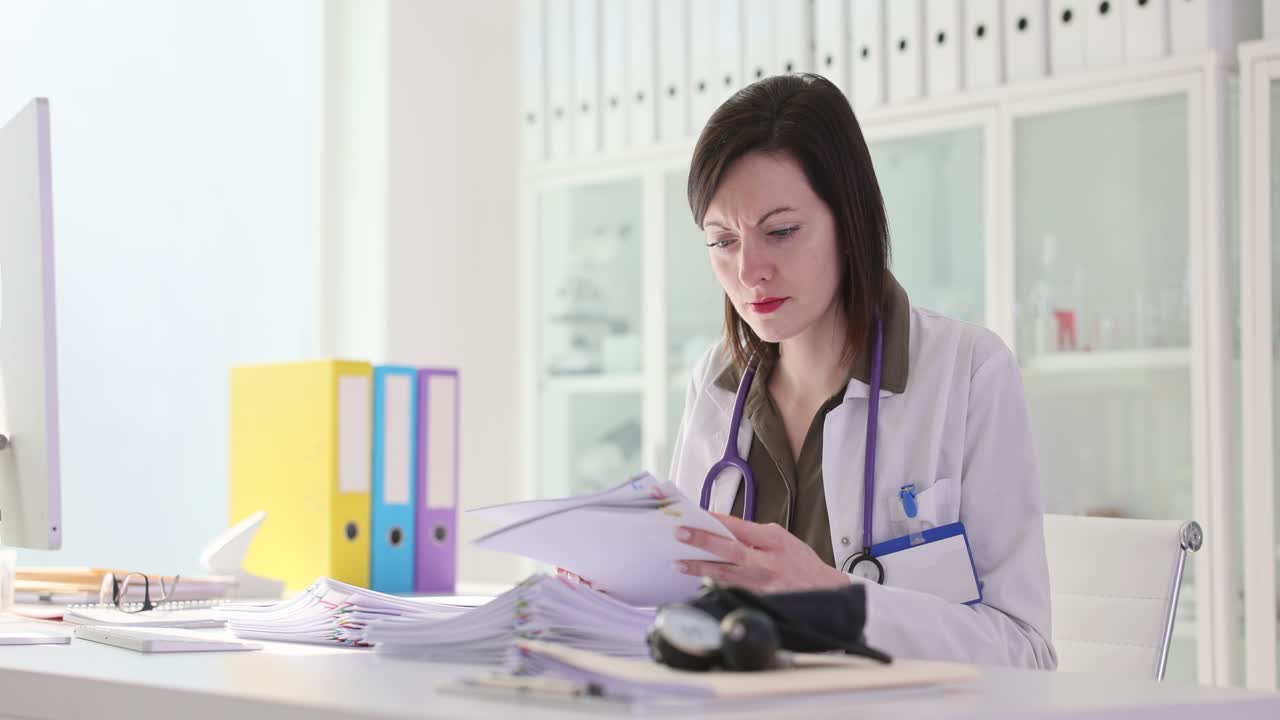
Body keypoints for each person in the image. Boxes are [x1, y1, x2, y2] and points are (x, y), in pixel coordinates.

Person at [667, 73, 1056, 669]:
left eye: (781, 232)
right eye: (722, 241)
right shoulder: (714, 384)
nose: (750, 271)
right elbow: (685, 602)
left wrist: (842, 601)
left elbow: (1025, 653)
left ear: (849, 224)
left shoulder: (970, 372)